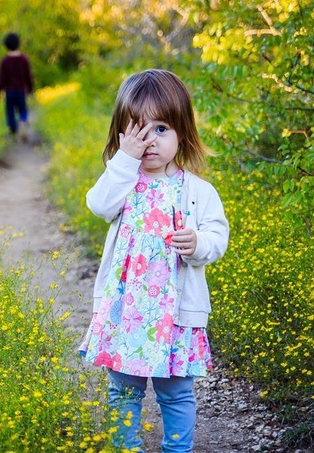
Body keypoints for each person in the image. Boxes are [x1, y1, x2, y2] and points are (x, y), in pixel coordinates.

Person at [78, 69, 229, 452]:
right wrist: (122, 162)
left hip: (174, 314)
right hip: (125, 310)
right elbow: (98, 205)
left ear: (182, 131)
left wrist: (198, 243)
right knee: (123, 391)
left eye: (161, 129)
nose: (149, 141)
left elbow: (217, 236)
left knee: (176, 392)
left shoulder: (198, 191)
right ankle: (125, 448)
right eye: (137, 131)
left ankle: (176, 449)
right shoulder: (123, 181)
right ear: (120, 136)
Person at [0, 32, 34, 140]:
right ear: (18, 44)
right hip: (21, 90)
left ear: (6, 45)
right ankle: (22, 122)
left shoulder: (4, 61)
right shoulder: (24, 59)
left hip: (9, 92)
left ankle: (13, 131)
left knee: (10, 111)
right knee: (23, 109)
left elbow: (1, 77)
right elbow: (28, 75)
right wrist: (30, 88)